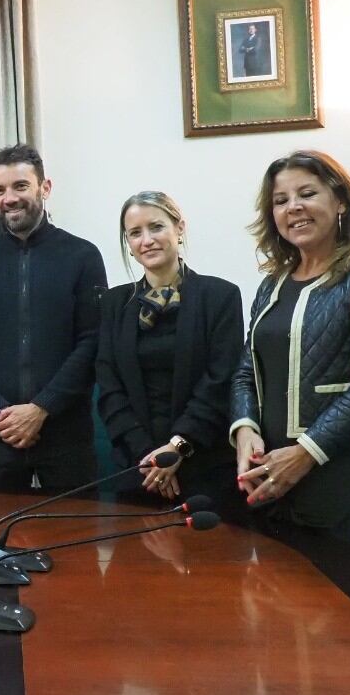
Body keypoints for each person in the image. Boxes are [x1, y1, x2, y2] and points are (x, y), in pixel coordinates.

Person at [231, 151, 350, 565]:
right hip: (271, 481)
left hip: (341, 483)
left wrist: (306, 452)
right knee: (279, 617)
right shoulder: (271, 285)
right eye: (280, 200)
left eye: (307, 193)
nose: (293, 207)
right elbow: (246, 371)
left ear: (340, 201)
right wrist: (244, 430)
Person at [0, 145, 107, 493]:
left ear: (44, 188)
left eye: (20, 186)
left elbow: (92, 342)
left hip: (66, 434)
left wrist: (40, 409)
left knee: (72, 542)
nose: (10, 198)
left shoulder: (82, 256)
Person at [95, 191, 244, 509]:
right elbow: (109, 388)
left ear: (179, 228)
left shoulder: (221, 297)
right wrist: (149, 457)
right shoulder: (113, 305)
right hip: (139, 470)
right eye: (135, 233)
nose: (146, 239)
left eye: (156, 227)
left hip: (204, 464)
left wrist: (177, 448)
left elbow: (220, 382)